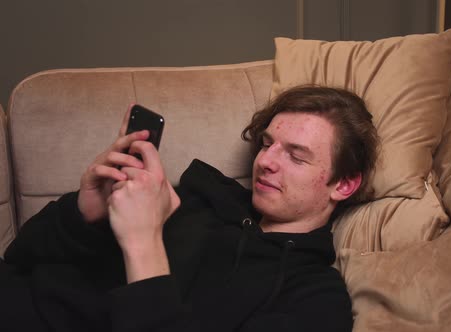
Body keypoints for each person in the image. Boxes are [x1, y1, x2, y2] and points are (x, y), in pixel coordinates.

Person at [0, 85, 379, 332]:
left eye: (296, 157)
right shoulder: (200, 198)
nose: (266, 162)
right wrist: (84, 211)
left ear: (344, 184)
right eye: (267, 144)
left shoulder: (315, 299)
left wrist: (143, 244)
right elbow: (20, 254)